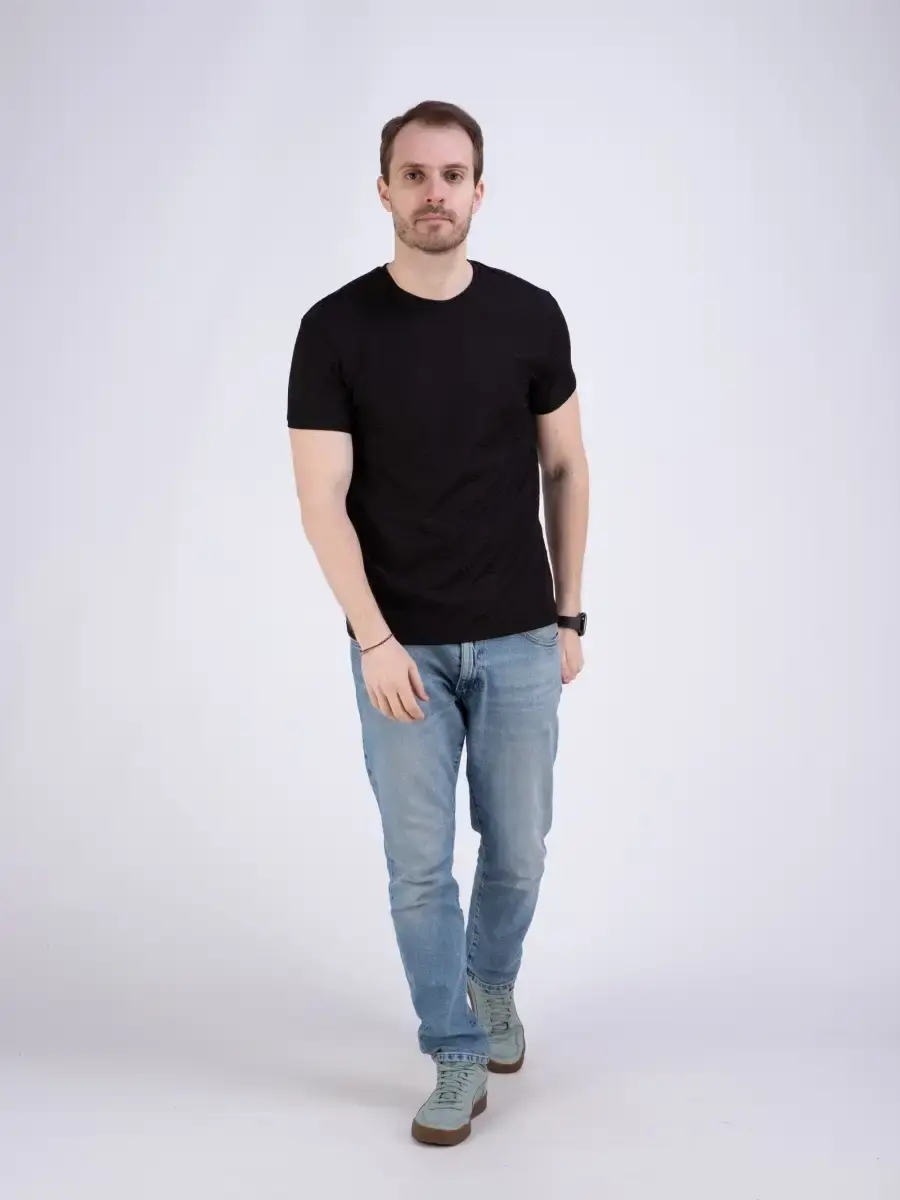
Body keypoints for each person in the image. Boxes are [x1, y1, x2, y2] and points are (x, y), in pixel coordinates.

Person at [287, 100, 589, 1146]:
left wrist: (570, 615)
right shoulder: (336, 328)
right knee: (419, 871)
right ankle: (454, 1048)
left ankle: (491, 981)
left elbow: (566, 468)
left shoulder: (530, 316)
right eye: (413, 175)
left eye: (452, 175)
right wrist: (372, 638)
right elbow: (321, 500)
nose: (434, 193)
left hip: (519, 637)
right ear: (384, 189)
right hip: (400, 649)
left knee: (520, 854)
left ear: (478, 190)